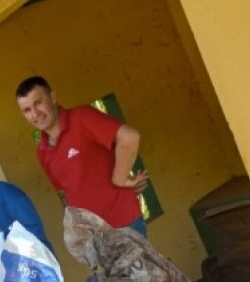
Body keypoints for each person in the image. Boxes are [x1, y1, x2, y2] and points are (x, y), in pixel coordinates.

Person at [14, 75, 150, 236]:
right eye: (27, 110)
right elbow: (65, 193)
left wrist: (119, 179)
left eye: (38, 103)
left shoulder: (81, 117)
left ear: (52, 97)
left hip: (124, 224)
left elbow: (130, 137)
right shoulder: (42, 151)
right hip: (93, 236)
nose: (35, 113)